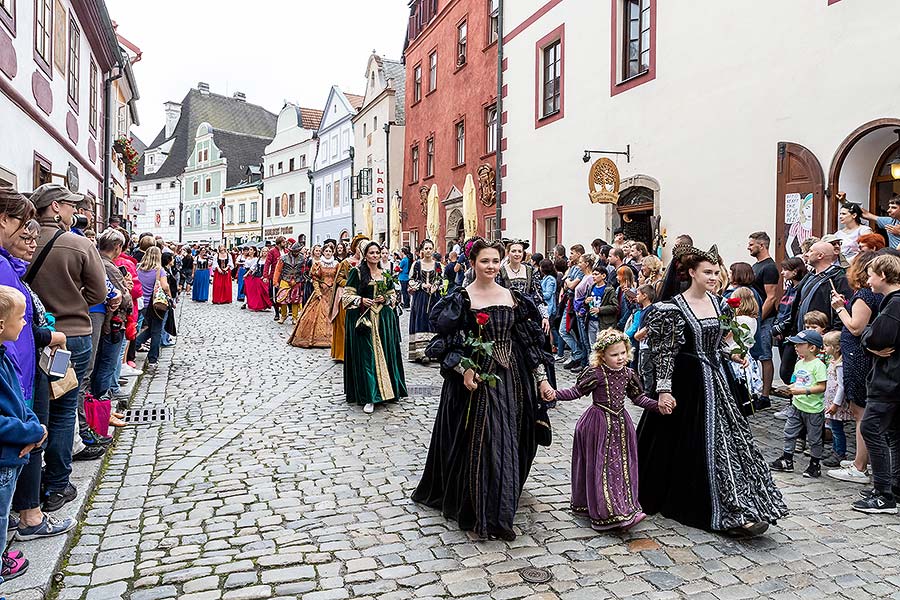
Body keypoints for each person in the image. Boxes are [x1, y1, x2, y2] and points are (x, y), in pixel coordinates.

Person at [637, 244, 788, 536]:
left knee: (729, 442)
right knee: (690, 444)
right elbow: (665, 353)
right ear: (691, 272)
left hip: (716, 380)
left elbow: (720, 341)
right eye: (707, 272)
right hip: (687, 383)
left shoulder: (719, 303)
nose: (714, 277)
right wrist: (664, 390)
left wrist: (733, 353)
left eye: (717, 272)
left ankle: (743, 505)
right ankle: (711, 507)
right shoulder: (672, 308)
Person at [412, 238, 554, 540]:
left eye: (494, 261)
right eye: (484, 261)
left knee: (510, 435)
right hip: (477, 380)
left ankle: (502, 494)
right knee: (485, 437)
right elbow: (447, 342)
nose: (490, 267)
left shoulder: (512, 297)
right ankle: (484, 507)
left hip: (512, 378)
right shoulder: (462, 298)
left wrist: (541, 378)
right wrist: (463, 369)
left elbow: (528, 343)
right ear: (473, 263)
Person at [27, 184, 107, 508]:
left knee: (34, 408)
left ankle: (28, 487)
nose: (76, 211)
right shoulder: (79, 244)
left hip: (30, 335)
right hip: (72, 334)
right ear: (56, 207)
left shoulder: (24, 242)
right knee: (62, 412)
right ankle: (57, 485)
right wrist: (74, 303)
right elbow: (99, 292)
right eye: (71, 206)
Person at [553, 329, 671, 531]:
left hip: (621, 424)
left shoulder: (628, 374)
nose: (620, 358)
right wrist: (554, 394)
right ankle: (605, 511)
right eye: (614, 355)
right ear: (602, 356)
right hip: (598, 424)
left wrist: (657, 405)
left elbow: (638, 398)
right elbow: (576, 391)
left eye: (623, 353)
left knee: (620, 466)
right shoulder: (595, 373)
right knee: (601, 467)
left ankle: (623, 508)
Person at [0, 285, 47, 582]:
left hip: (14, 452)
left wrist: (33, 426)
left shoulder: (4, 355)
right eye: (21, 318)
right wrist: (30, 430)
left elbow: (17, 399)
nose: (26, 324)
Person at [826, 252, 881, 482]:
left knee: (860, 412)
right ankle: (861, 458)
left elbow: (855, 327)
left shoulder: (865, 295)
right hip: (859, 355)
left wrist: (840, 308)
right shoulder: (870, 295)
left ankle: (860, 466)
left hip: (857, 356)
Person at [852, 254, 900, 513]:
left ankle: (884, 494)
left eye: (870, 274)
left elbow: (876, 337)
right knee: (894, 433)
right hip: (892, 380)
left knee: (871, 428)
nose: (868, 280)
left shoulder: (894, 305)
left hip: (889, 381)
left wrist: (869, 337)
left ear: (882, 275)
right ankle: (894, 486)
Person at [342, 241, 407, 414]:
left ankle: (387, 392)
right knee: (367, 357)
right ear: (365, 255)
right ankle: (369, 396)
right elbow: (346, 296)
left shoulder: (385, 274)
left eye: (377, 252)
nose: (375, 255)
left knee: (385, 354)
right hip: (365, 320)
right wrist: (361, 300)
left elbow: (393, 296)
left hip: (384, 320)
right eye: (371, 253)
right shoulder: (357, 273)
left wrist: (385, 299)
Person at [779, 241, 852, 384]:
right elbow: (798, 303)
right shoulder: (810, 275)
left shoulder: (837, 277)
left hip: (820, 336)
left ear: (820, 255)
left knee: (814, 375)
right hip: (801, 332)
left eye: (810, 251)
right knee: (790, 372)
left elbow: (843, 306)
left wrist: (831, 334)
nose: (806, 254)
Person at [769, 330, 827, 478]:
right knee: (789, 432)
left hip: (813, 409)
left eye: (800, 344)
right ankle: (787, 459)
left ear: (812, 348)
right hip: (797, 406)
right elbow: (797, 381)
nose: (795, 347)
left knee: (814, 438)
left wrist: (803, 391)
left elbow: (821, 386)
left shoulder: (818, 365)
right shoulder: (799, 363)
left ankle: (814, 464)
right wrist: (791, 388)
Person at [288, 243, 337, 348]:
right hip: (321, 292)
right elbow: (315, 280)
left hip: (332, 293)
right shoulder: (318, 264)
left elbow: (338, 278)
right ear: (323, 252)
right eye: (326, 251)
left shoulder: (336, 264)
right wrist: (318, 292)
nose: (328, 253)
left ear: (333, 252)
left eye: (330, 251)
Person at [134, 248, 171, 372]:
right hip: (156, 304)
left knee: (150, 329)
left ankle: (136, 344)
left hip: (142, 304)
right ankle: (153, 359)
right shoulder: (159, 271)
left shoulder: (138, 269)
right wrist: (170, 296)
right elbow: (165, 286)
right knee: (156, 331)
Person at [331, 235, 366, 362]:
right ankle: (342, 353)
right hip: (346, 296)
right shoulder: (346, 263)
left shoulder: (368, 264)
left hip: (363, 297)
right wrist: (351, 284)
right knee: (344, 324)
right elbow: (339, 279)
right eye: (359, 246)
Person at [407, 240, 443, 361]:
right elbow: (411, 280)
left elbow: (441, 280)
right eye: (426, 248)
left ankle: (434, 351)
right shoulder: (417, 264)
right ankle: (421, 352)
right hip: (421, 298)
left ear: (433, 250)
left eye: (430, 248)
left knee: (434, 320)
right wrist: (422, 285)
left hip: (434, 297)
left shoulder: (438, 265)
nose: (428, 251)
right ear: (422, 250)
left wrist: (435, 286)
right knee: (421, 320)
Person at [822, 331, 852, 468]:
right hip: (830, 401)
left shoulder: (840, 365)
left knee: (837, 429)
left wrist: (835, 404)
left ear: (837, 347)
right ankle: (835, 450)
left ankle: (840, 452)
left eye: (827, 345)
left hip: (836, 403)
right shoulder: (832, 362)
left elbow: (841, 386)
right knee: (834, 427)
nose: (824, 348)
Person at [558, 245, 586, 368]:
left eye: (572, 253)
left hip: (575, 303)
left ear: (579, 254)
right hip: (569, 302)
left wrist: (568, 282)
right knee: (567, 330)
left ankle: (578, 353)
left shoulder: (579, 270)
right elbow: (565, 283)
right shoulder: (573, 267)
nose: (570, 255)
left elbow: (571, 285)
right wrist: (568, 282)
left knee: (565, 330)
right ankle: (577, 354)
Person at [583, 266, 618, 348]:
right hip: (591, 320)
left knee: (602, 346)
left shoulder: (609, 289)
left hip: (603, 322)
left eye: (596, 274)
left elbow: (615, 307)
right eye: (593, 274)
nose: (593, 276)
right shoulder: (591, 287)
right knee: (592, 346)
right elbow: (586, 304)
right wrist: (585, 302)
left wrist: (600, 310)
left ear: (603, 276)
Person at [273, 243, 306, 324]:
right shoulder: (283, 258)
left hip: (297, 280)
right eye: (295, 251)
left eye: (297, 251)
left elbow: (304, 270)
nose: (296, 252)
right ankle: (283, 315)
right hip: (285, 279)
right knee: (282, 298)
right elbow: (278, 270)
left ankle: (295, 317)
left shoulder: (302, 258)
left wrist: (302, 280)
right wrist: (275, 281)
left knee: (295, 299)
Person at [242, 246, 272, 312]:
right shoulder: (259, 259)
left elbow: (269, 269)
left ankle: (264, 305)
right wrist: (247, 274)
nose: (264, 252)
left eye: (266, 251)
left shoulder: (268, 260)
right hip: (257, 276)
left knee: (264, 292)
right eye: (263, 251)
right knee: (257, 292)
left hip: (264, 277)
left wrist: (266, 276)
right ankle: (258, 305)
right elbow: (253, 267)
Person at [263, 236, 287, 321]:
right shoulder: (272, 251)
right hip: (274, 276)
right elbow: (267, 264)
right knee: (274, 295)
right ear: (279, 243)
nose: (285, 243)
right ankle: (277, 312)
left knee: (284, 294)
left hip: (285, 276)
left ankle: (283, 311)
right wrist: (265, 276)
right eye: (284, 242)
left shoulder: (286, 251)